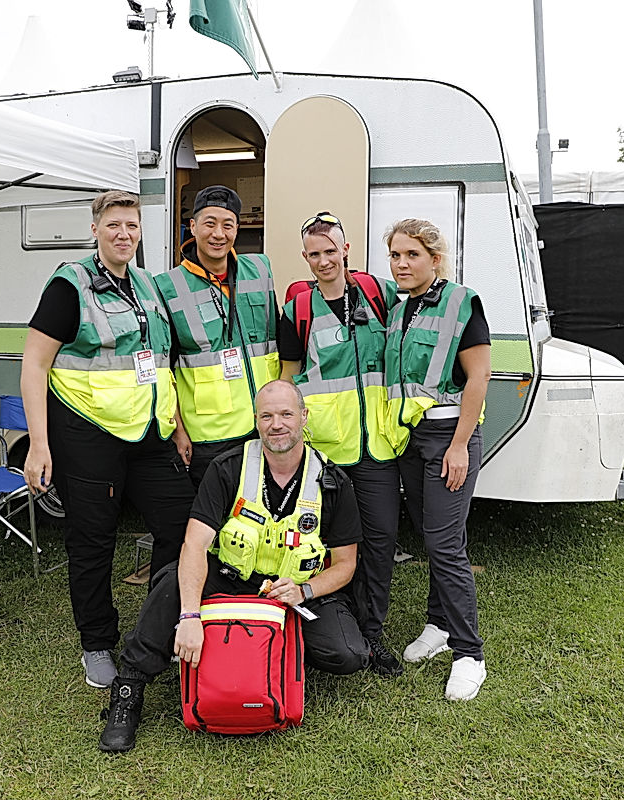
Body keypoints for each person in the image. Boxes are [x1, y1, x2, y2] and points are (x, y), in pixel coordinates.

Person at [98, 380, 369, 752]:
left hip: (293, 594)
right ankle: (128, 693)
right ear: (256, 421)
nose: (277, 424)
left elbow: (345, 565)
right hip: (231, 580)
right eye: (267, 415)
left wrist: (304, 590)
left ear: (304, 418)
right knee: (171, 587)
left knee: (348, 654)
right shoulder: (229, 467)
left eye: (287, 414)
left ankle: (265, 656)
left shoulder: (333, 482)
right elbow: (194, 544)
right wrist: (190, 617)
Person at [20, 190, 194, 690]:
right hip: (88, 433)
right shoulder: (70, 285)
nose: (124, 234)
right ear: (95, 229)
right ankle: (97, 643)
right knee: (92, 541)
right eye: (115, 225)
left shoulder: (146, 284)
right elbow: (34, 364)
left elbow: (163, 363)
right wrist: (39, 443)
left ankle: (156, 626)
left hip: (151, 434)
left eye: (133, 226)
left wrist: (177, 424)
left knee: (182, 527)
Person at [277, 211, 405, 677]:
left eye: (331, 251)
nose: (324, 260)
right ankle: (328, 622)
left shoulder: (379, 295)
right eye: (314, 254)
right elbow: (288, 376)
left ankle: (369, 636)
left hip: (377, 448)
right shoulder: (298, 309)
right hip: (325, 451)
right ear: (305, 258)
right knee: (324, 542)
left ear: (346, 249)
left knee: (379, 540)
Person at [383, 218, 492, 702]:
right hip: (411, 439)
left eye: (412, 255)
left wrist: (458, 446)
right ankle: (439, 625)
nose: (401, 264)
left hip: (450, 436)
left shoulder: (461, 302)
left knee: (445, 545)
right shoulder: (399, 308)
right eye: (395, 255)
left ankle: (470, 654)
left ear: (435, 259)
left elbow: (478, 378)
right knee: (432, 535)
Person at [154, 185, 280, 487]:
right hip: (209, 435)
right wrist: (178, 429)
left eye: (228, 225)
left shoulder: (260, 269)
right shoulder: (167, 286)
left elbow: (280, 344)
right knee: (213, 518)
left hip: (264, 424)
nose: (218, 234)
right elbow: (163, 371)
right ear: (193, 227)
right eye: (209, 223)